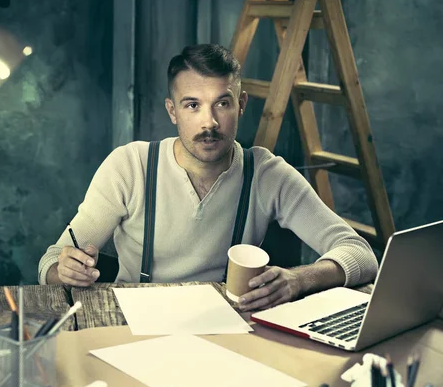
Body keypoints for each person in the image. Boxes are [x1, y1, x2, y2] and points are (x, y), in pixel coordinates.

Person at [38, 44, 378, 312]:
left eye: (222, 104)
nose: (210, 123)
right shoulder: (130, 165)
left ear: (241, 105)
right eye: (192, 106)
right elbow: (51, 261)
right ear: (172, 111)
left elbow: (360, 253)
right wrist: (64, 271)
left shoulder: (266, 174)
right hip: (132, 321)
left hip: (227, 324)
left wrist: (298, 279)